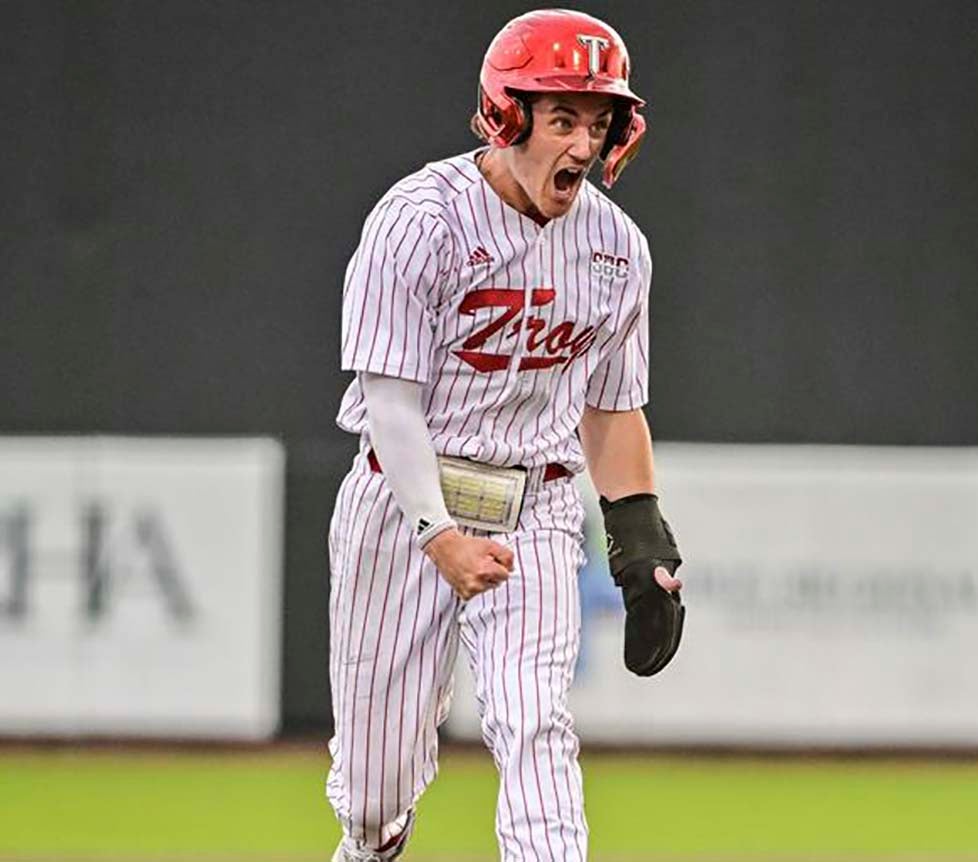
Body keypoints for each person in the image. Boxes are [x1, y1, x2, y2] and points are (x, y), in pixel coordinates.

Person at [327, 9, 684, 862]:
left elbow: (609, 406)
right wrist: (437, 531)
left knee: (535, 722)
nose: (582, 144)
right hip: (401, 502)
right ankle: (373, 842)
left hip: (537, 506)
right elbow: (391, 401)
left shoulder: (617, 249)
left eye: (597, 122)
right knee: (373, 796)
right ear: (506, 114)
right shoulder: (420, 220)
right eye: (562, 118)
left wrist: (639, 534)